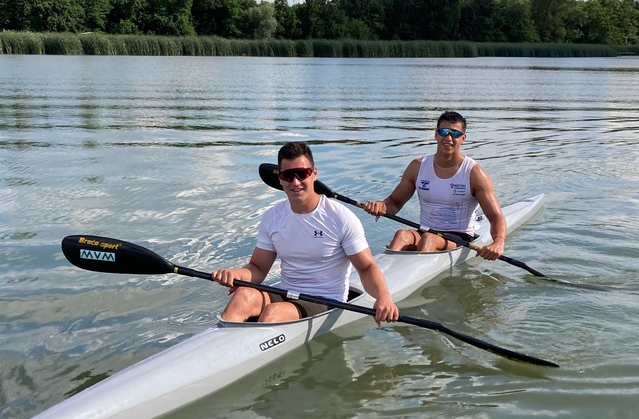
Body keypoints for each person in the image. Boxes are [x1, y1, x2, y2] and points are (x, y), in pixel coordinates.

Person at [212, 142, 400, 325]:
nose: (295, 182)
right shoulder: (272, 217)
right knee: (243, 294)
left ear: (314, 174)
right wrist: (236, 274)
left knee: (273, 312)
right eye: (288, 175)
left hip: (326, 300)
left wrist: (384, 297)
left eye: (302, 174)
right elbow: (258, 268)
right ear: (280, 179)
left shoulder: (340, 217)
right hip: (288, 294)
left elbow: (366, 267)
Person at [362, 111, 507, 260]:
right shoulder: (417, 167)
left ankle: (415, 276)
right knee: (401, 235)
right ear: (436, 135)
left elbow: (496, 217)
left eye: (455, 133)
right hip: (425, 231)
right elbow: (394, 202)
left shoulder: (474, 173)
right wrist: (380, 206)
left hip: (459, 237)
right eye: (444, 132)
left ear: (463, 138)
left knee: (429, 239)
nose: (448, 138)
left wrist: (498, 242)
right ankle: (381, 274)